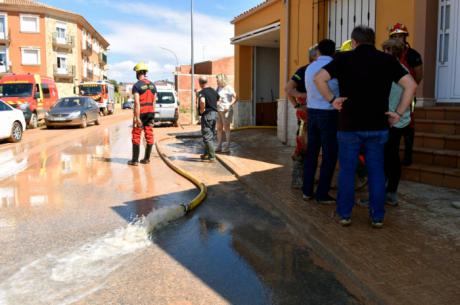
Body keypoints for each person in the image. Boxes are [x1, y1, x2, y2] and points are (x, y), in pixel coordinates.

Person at [314, 26, 417, 228]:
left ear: (353, 42)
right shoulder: (388, 60)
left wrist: (332, 100)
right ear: (373, 41)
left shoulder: (343, 59)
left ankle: (345, 215)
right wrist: (398, 112)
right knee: (377, 171)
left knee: (347, 170)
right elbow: (411, 85)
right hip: (378, 125)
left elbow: (319, 79)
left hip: (349, 126)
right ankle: (377, 217)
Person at [302, 39, 339, 204]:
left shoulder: (310, 67)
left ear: (318, 50)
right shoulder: (335, 66)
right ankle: (322, 193)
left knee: (312, 153)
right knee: (329, 155)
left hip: (312, 113)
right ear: (333, 51)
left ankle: (307, 190)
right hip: (329, 114)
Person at [382, 38, 413, 206]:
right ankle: (389, 191)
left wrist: (396, 114)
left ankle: (390, 192)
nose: (383, 53)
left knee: (390, 157)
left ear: (392, 52)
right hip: (396, 119)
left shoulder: (397, 70)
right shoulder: (396, 68)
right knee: (389, 156)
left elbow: (405, 91)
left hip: (394, 121)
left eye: (386, 50)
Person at [389, 23, 424, 166]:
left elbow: (419, 75)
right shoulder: (388, 53)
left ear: (405, 37)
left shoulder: (413, 54)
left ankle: (408, 155)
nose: (398, 39)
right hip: (391, 95)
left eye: (400, 36)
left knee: (409, 124)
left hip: (408, 94)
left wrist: (409, 90)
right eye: (394, 36)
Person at [285, 45, 318, 189]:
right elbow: (288, 89)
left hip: (318, 113)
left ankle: (308, 176)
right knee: (303, 143)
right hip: (305, 114)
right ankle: (297, 179)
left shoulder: (324, 69)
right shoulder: (303, 70)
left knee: (313, 145)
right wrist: (299, 101)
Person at [128, 62, 157, 166]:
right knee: (149, 135)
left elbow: (136, 102)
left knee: (136, 135)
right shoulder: (153, 85)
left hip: (141, 114)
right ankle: (146, 159)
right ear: (145, 72)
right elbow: (154, 102)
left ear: (138, 73)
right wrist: (152, 114)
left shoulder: (137, 86)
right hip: (150, 113)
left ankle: (135, 160)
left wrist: (137, 118)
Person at [197, 76, 219, 162]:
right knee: (210, 135)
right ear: (207, 81)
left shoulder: (202, 92)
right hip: (214, 114)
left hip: (207, 115)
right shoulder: (213, 90)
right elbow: (218, 99)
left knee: (207, 136)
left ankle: (212, 156)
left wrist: (202, 111)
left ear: (200, 83)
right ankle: (206, 154)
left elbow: (202, 101)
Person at [215, 73, 237, 153]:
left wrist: (229, 105)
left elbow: (235, 97)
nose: (216, 81)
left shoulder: (228, 87)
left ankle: (227, 146)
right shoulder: (218, 88)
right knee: (219, 128)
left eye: (217, 79)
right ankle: (219, 146)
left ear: (221, 79)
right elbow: (217, 98)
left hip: (226, 110)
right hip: (218, 110)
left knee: (226, 128)